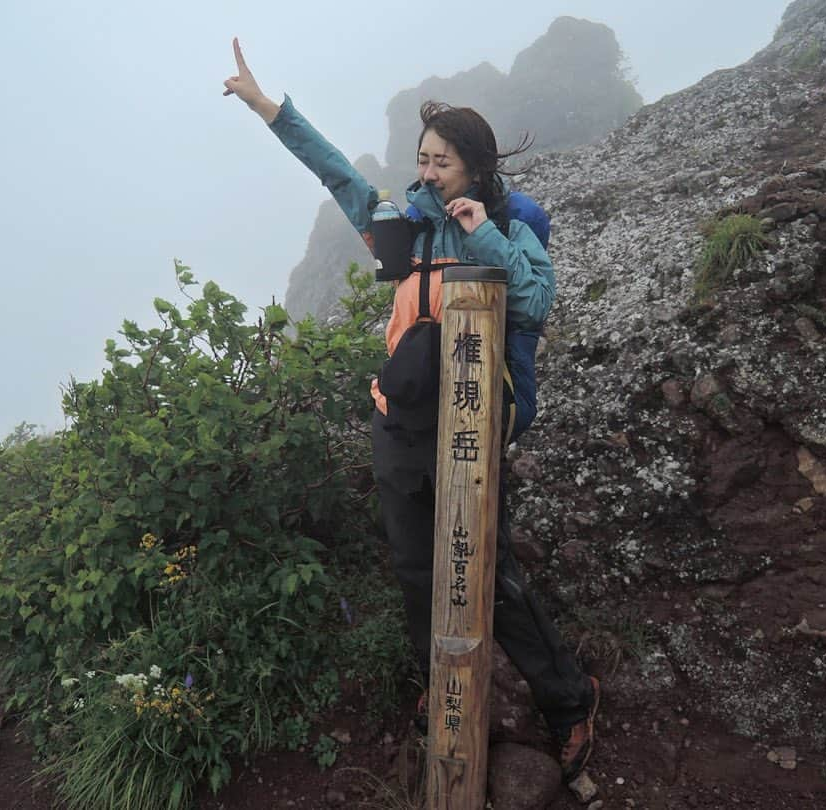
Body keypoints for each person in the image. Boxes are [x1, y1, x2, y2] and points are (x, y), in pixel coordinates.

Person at [223, 37, 599, 780]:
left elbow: (532, 299)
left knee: (487, 567)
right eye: (422, 158)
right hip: (397, 420)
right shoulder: (401, 223)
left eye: (441, 162)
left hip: (471, 421)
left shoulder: (513, 225)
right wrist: (270, 109)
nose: (426, 172)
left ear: (475, 169)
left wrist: (477, 230)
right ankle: (445, 686)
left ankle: (569, 698)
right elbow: (337, 173)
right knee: (413, 566)